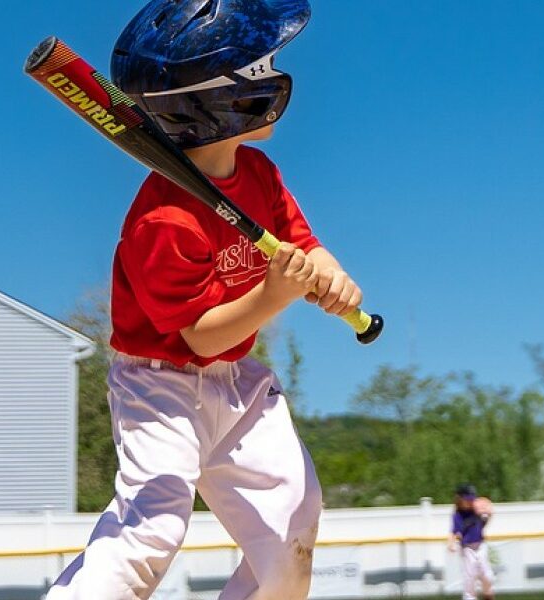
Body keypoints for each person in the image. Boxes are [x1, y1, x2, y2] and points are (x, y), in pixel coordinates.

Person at [46, 1, 365, 598]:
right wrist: (274, 294)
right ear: (217, 101)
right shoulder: (162, 219)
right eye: (257, 66)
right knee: (153, 529)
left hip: (238, 386)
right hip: (160, 389)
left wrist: (332, 276)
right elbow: (202, 334)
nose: (271, 72)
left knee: (294, 517)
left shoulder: (259, 173)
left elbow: (305, 246)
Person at [448, 484, 495, 600]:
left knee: (487, 576)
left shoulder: (476, 509)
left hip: (480, 546)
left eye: (471, 499)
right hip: (467, 549)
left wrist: (488, 511)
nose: (470, 502)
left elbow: (487, 514)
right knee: (470, 579)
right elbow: (454, 531)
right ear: (460, 499)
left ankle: (488, 594)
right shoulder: (458, 515)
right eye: (467, 499)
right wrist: (451, 543)